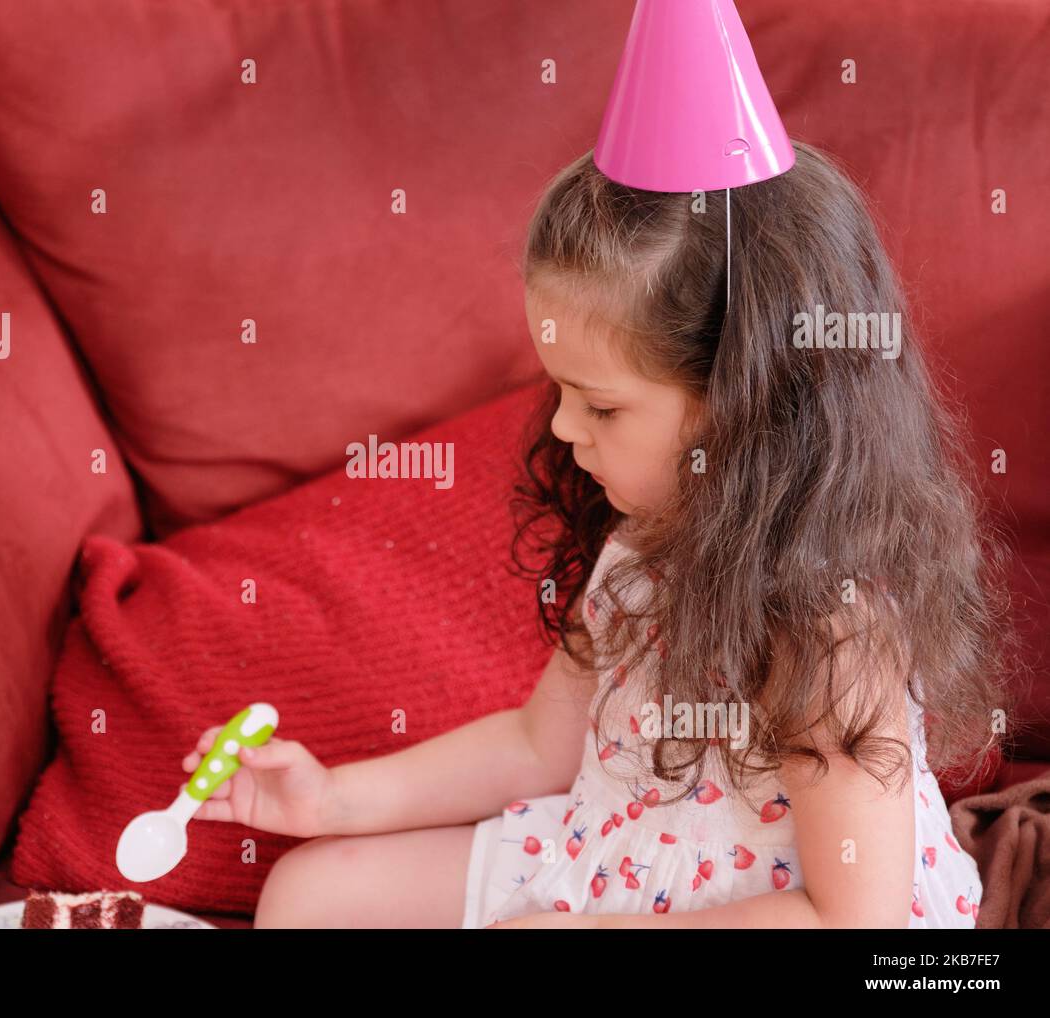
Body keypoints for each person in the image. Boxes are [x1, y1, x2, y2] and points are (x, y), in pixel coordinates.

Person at [187, 141, 1015, 928]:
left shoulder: (832, 628)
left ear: (745, 406)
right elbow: (535, 744)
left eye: (602, 405)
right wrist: (332, 800)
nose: (563, 427)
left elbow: (850, 920)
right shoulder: (644, 541)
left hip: (767, 911)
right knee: (307, 894)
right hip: (616, 857)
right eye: (559, 390)